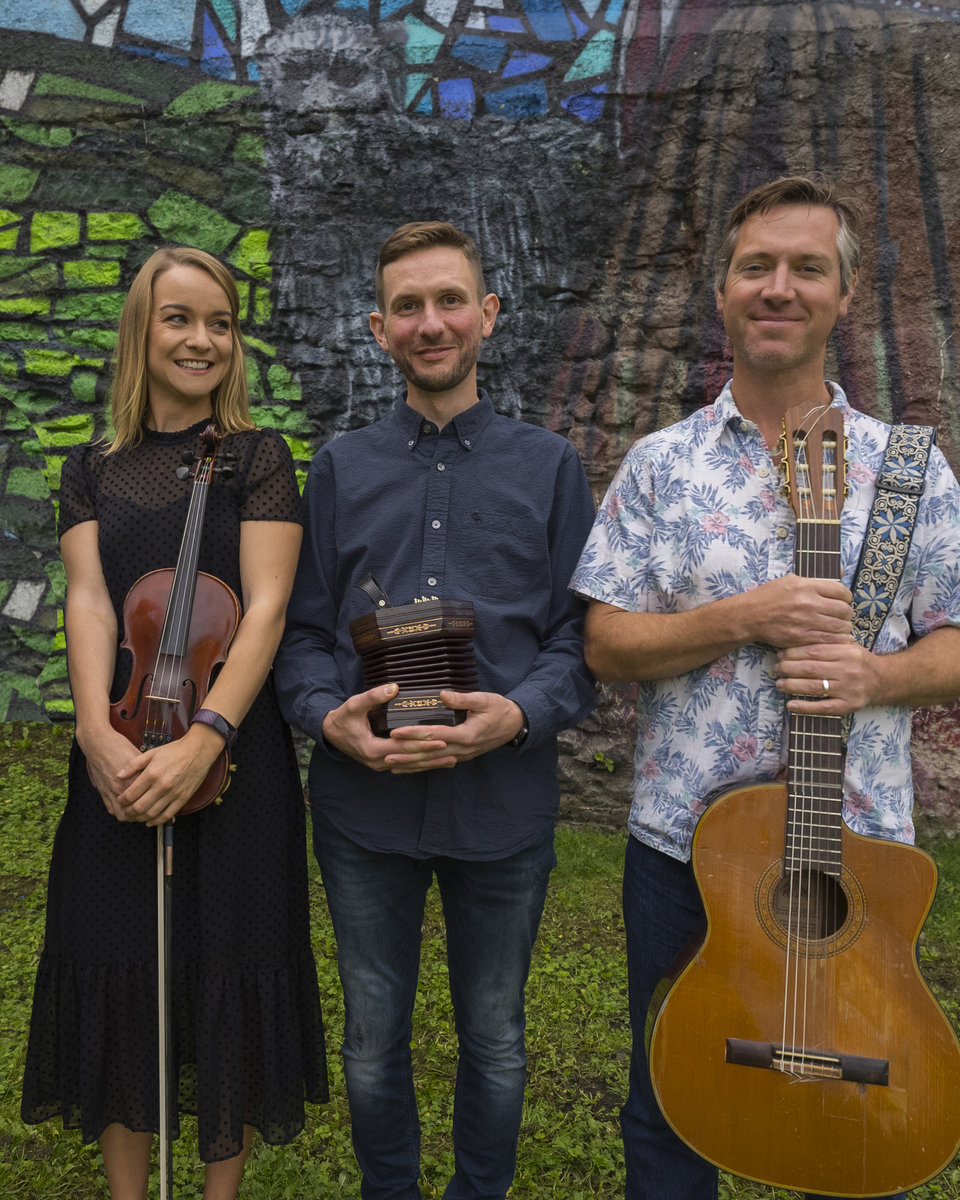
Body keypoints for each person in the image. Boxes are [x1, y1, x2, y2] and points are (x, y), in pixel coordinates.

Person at [570, 177, 960, 1200]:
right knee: (671, 1101)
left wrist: (879, 673)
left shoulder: (906, 470)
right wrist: (740, 618)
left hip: (858, 855)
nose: (779, 288)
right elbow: (605, 644)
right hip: (686, 848)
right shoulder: (661, 466)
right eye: (756, 266)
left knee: (857, 1118)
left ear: (844, 295)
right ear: (723, 290)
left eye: (808, 268)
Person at [274, 220, 596, 1200]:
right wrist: (325, 716)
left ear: (487, 315)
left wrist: (521, 715)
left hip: (503, 806)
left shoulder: (551, 468)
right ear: (380, 329)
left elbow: (581, 638)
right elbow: (301, 631)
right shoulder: (338, 469)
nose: (431, 323)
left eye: (450, 300)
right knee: (373, 1040)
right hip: (363, 813)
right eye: (407, 307)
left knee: (495, 1038)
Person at [21, 247, 328, 1200]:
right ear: (140, 332)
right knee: (115, 960)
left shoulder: (258, 459)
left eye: (220, 323)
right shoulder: (90, 467)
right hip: (121, 739)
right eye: (180, 319)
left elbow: (266, 608)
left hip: (236, 754)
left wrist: (207, 738)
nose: (203, 340)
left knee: (231, 961)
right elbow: (89, 601)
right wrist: (95, 735)